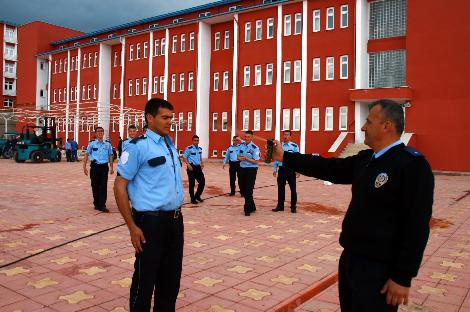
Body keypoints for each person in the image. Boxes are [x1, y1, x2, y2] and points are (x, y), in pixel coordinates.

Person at [270, 99, 434, 311]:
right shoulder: (366, 159)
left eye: (369, 122)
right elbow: (328, 167)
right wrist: (286, 157)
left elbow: (417, 226)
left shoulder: (412, 166)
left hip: (380, 269)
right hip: (351, 260)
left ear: (387, 126)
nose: (362, 127)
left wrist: (403, 277)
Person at [114, 98, 184, 312]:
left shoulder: (169, 144)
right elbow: (119, 187)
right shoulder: (137, 147)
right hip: (149, 224)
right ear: (150, 118)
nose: (169, 122)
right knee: (145, 282)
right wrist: (132, 227)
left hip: (175, 221)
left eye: (171, 118)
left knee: (170, 282)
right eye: (165, 117)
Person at [83, 127, 114, 213]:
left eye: (101, 131)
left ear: (103, 133)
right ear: (96, 134)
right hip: (95, 167)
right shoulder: (92, 144)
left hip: (104, 167)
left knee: (103, 186)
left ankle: (102, 205)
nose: (100, 133)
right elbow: (86, 154)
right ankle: (96, 203)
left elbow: (110, 155)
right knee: (95, 185)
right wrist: (84, 167)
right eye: (98, 131)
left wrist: (111, 167)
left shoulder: (108, 144)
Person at [272, 130, 300, 213]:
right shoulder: (278, 146)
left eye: (287, 135)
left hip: (290, 170)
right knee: (280, 188)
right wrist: (275, 169)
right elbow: (276, 157)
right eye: (284, 134)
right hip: (282, 170)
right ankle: (280, 206)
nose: (285, 136)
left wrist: (298, 170)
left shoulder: (294, 146)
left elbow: (297, 159)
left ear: (290, 136)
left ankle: (293, 206)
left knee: (293, 189)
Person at [238, 130, 260, 216]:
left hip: (251, 170)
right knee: (242, 189)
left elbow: (256, 161)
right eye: (245, 136)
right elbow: (238, 156)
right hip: (242, 168)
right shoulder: (241, 146)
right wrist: (240, 158)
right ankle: (253, 206)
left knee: (249, 189)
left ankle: (247, 209)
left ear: (251, 138)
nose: (246, 138)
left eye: (248, 137)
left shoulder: (255, 148)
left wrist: (246, 159)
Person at [183, 135, 205, 204]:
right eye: (195, 140)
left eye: (197, 140)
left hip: (198, 167)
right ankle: (192, 199)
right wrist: (188, 165)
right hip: (191, 168)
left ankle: (197, 196)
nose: (196, 142)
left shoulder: (200, 149)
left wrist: (202, 163)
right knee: (192, 184)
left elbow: (200, 157)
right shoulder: (189, 148)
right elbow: (184, 158)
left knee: (202, 182)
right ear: (192, 141)